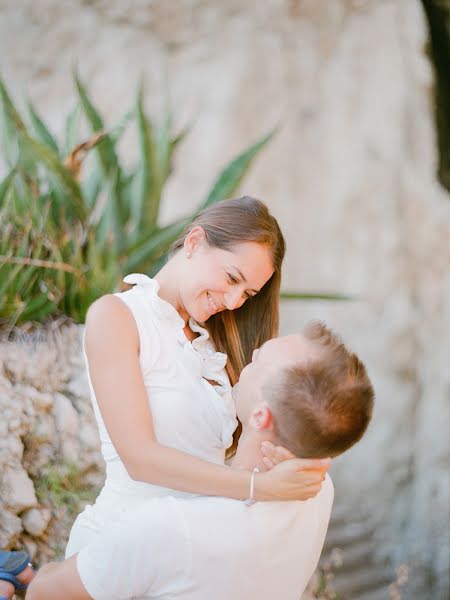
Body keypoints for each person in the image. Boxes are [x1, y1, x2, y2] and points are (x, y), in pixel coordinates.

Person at [27, 321, 375, 600]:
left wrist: (37, 576)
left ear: (260, 418)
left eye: (259, 360)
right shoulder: (317, 492)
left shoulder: (173, 529)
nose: (251, 352)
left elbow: (45, 593)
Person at [65, 196, 329, 558]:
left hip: (193, 548)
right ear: (194, 242)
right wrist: (261, 487)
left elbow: (226, 456)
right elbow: (140, 459)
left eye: (248, 294)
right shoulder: (117, 317)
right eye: (232, 278)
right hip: (123, 545)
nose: (236, 301)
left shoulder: (214, 344)